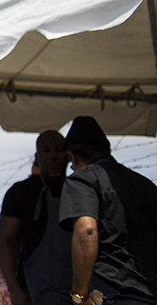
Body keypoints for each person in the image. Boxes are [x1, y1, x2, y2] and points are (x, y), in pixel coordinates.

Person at [58, 116, 157, 305]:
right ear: (106, 149)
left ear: (73, 156)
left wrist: (79, 296)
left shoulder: (83, 179)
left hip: (113, 295)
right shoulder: (143, 184)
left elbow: (86, 230)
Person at [0, 131, 72, 305]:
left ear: (68, 155)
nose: (53, 156)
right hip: (36, 292)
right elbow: (5, 243)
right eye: (47, 150)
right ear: (37, 157)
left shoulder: (80, 190)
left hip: (79, 291)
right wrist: (14, 289)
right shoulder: (21, 193)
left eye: (58, 150)